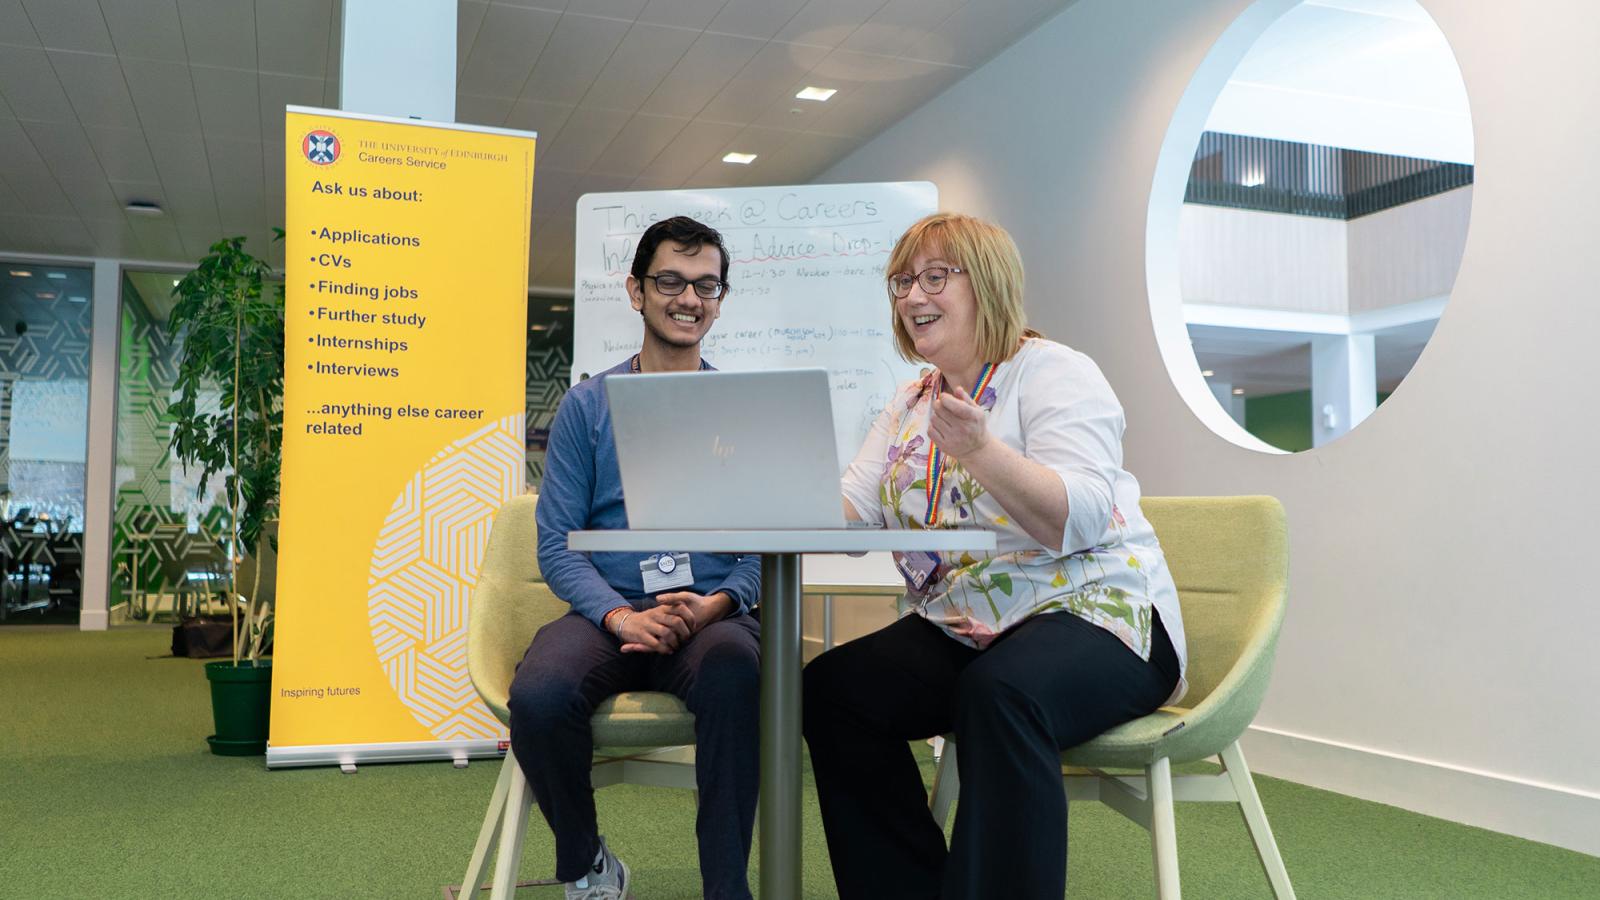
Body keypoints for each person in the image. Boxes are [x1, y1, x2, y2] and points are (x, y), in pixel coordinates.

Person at [802, 212, 1188, 899]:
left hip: (1099, 615)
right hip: (974, 628)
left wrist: (982, 451)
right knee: (835, 691)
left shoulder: (1054, 372)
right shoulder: (909, 401)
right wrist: (756, 490)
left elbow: (1080, 514)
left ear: (987, 284)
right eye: (902, 281)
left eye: (934, 277)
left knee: (1000, 693)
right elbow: (852, 510)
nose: (912, 297)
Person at [508, 216, 763, 900]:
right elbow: (558, 543)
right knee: (537, 695)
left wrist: (719, 602)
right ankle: (589, 862)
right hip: (606, 616)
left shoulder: (740, 411)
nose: (689, 298)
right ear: (636, 291)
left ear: (719, 295)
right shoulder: (588, 407)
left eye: (705, 284)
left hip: (708, 617)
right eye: (671, 281)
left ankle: (726, 888)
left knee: (738, 674)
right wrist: (619, 616)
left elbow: (765, 549)